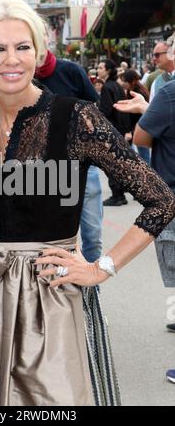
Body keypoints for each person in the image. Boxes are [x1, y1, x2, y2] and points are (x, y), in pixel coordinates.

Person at [0, 0, 175, 406]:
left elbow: (161, 200)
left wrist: (102, 268)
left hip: (50, 293)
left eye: (22, 47)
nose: (12, 59)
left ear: (38, 52)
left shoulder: (76, 118)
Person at [114, 37, 175, 384]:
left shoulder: (168, 93)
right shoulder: (163, 94)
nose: (156, 58)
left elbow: (141, 139)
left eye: (161, 52)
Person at [35, 47, 102, 262]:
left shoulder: (70, 70)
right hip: (45, 169)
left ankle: (92, 287)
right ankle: (60, 288)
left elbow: (93, 106)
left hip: (81, 164)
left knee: (92, 235)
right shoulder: (23, 78)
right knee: (54, 237)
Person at [97, 59, 130, 206]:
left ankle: (117, 195)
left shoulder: (107, 88)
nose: (98, 70)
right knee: (118, 163)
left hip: (111, 129)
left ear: (108, 70)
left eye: (100, 67)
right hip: (121, 128)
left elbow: (106, 110)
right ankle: (120, 194)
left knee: (110, 164)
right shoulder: (116, 85)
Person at [119, 69, 150, 164]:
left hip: (141, 127)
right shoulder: (131, 90)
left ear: (132, 81)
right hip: (136, 127)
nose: (122, 83)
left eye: (124, 81)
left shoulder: (138, 93)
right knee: (141, 153)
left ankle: (148, 175)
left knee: (144, 154)